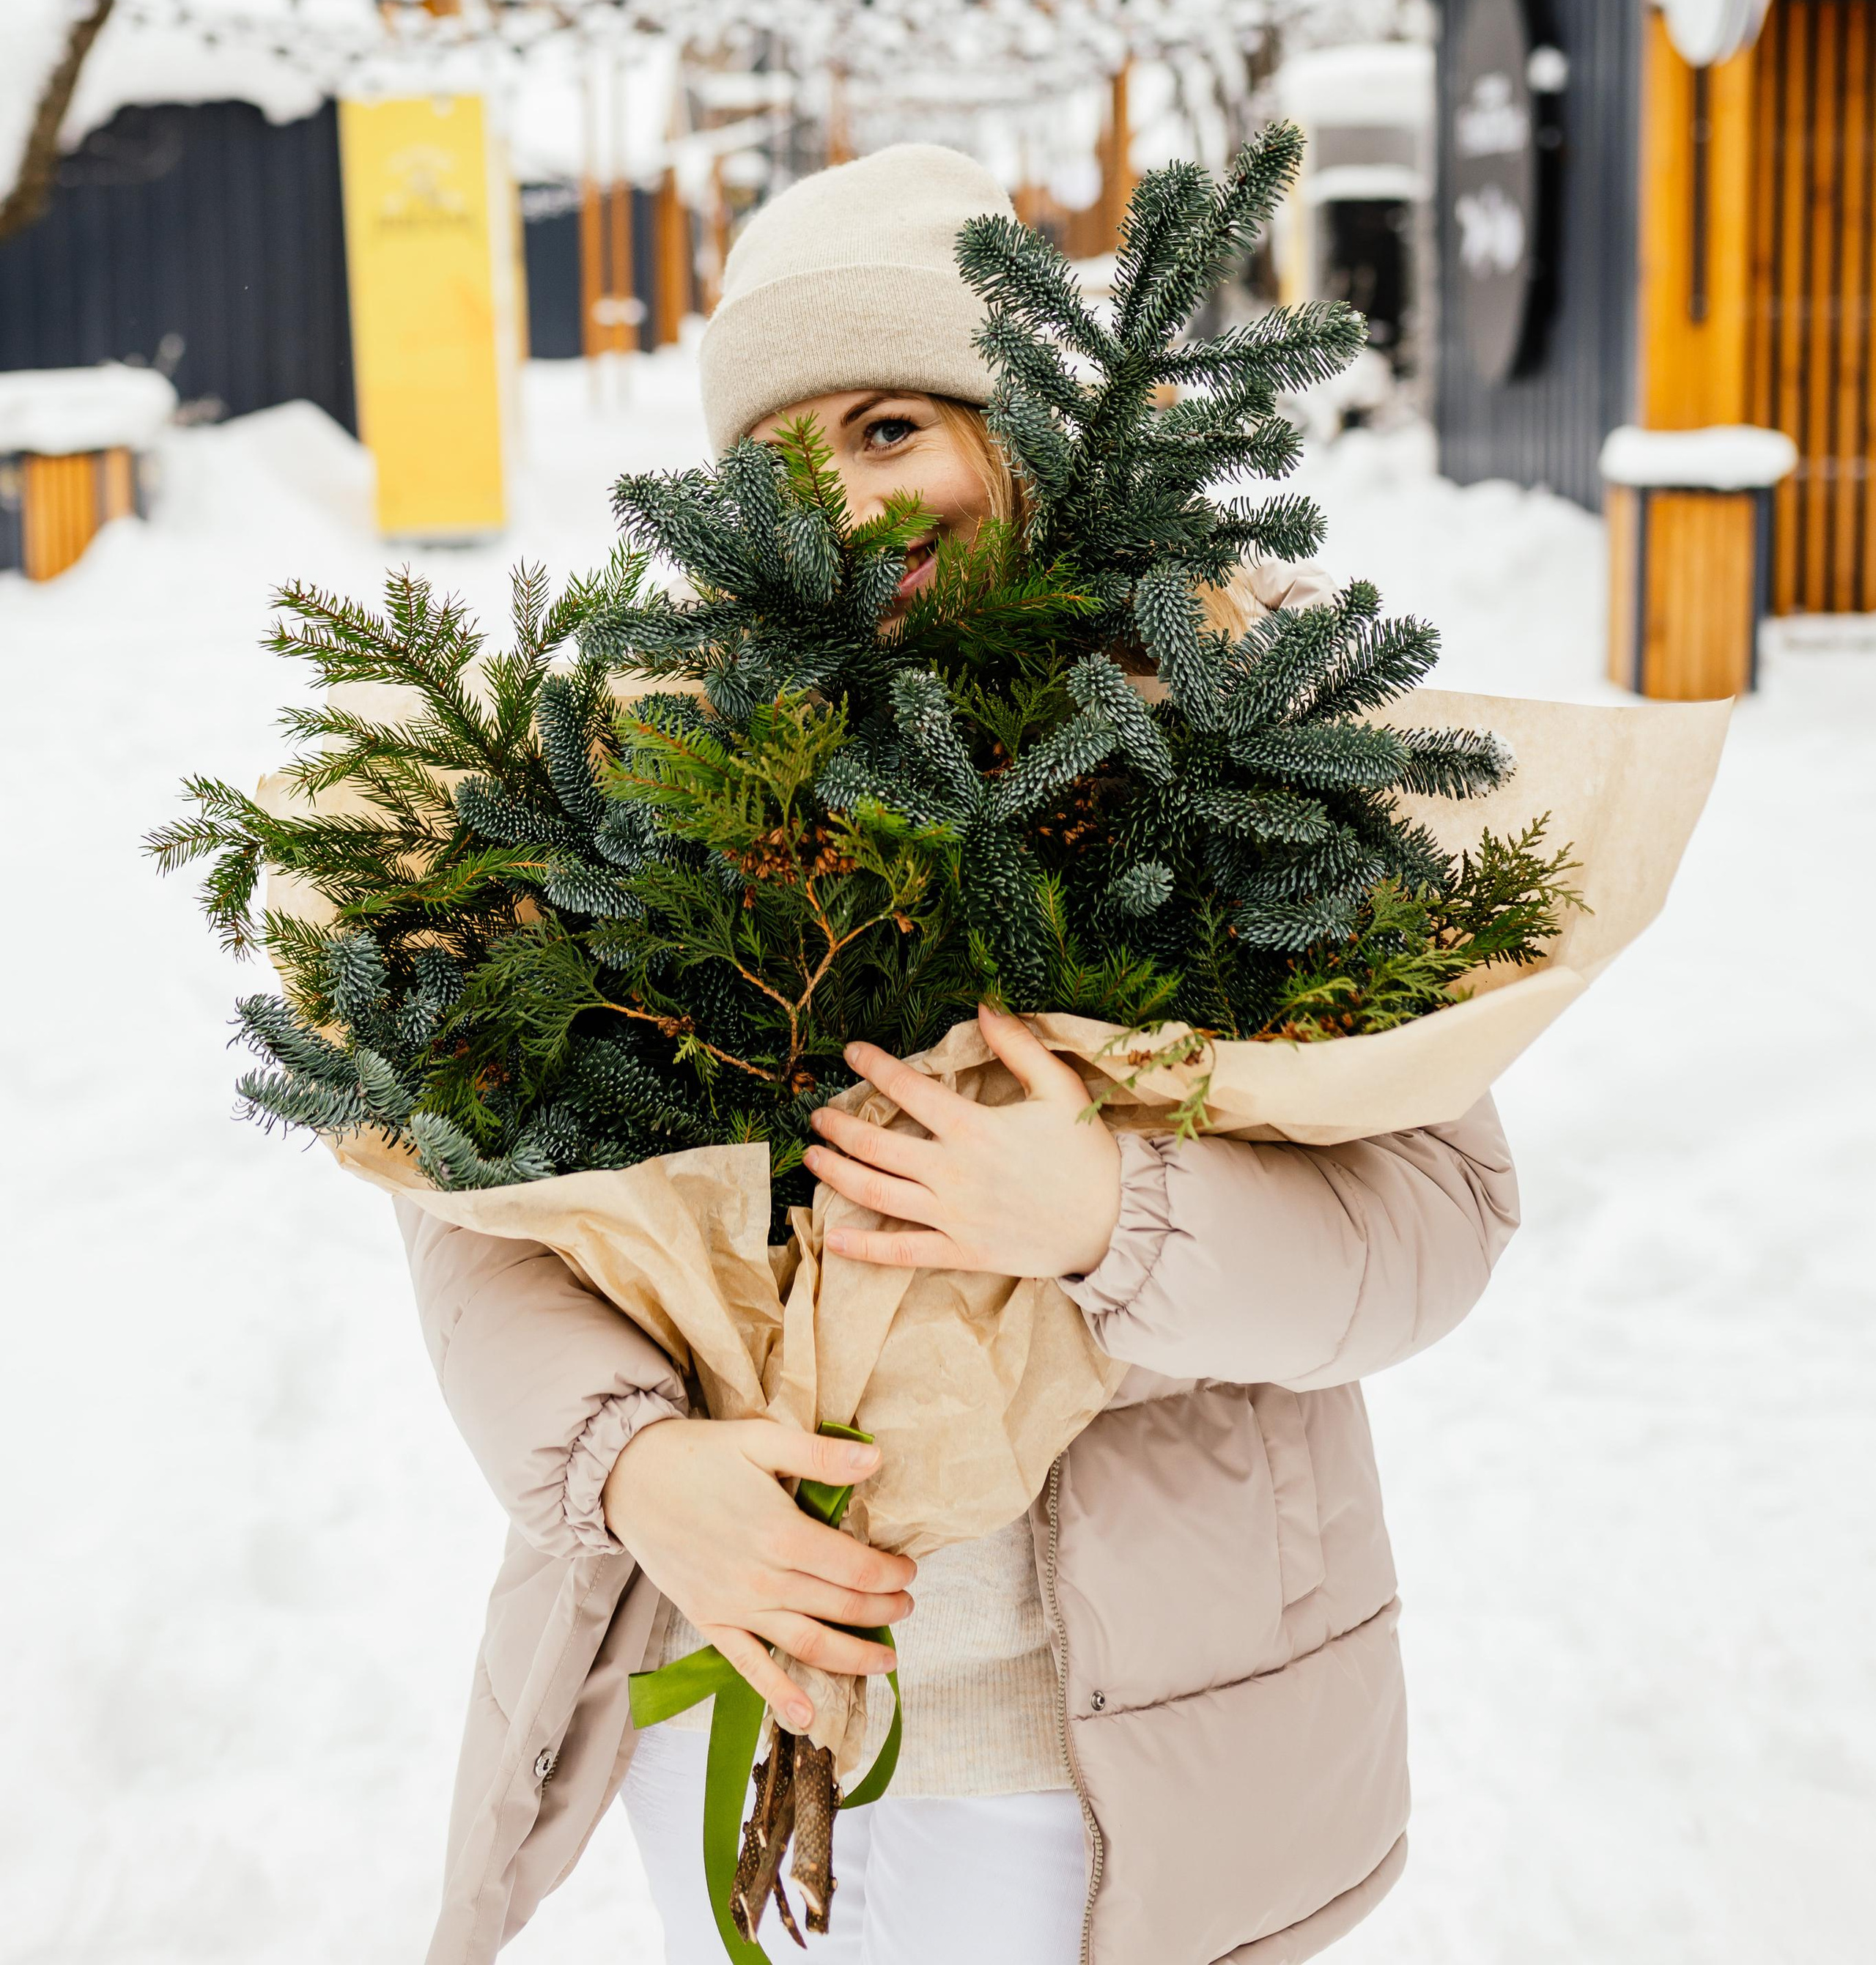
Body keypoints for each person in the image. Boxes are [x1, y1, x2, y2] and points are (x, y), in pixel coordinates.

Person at [398, 145, 1519, 1965]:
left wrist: (1111, 1211)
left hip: (1094, 1774)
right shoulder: (651, 781)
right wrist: (627, 1469)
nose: (841, 505)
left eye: (891, 426)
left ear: (1019, 439)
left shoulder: (1241, 751)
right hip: (736, 1686)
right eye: (780, 463)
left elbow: (1438, 1223)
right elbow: (473, 1218)